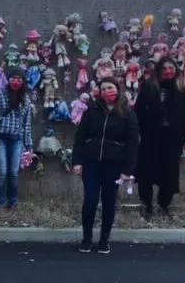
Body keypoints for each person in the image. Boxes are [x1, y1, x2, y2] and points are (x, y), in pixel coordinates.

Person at [72, 77, 140, 254]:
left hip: (114, 165)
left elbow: (133, 143)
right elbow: (79, 138)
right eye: (102, 89)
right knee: (90, 201)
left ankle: (104, 240)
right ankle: (86, 239)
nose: (106, 92)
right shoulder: (92, 111)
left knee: (109, 202)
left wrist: (127, 170)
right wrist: (77, 162)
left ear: (117, 89)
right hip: (92, 163)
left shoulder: (127, 113)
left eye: (109, 87)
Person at [134, 57, 185, 220]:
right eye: (165, 68)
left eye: (171, 67)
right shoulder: (148, 87)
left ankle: (164, 206)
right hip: (149, 139)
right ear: (159, 70)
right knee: (146, 174)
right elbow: (137, 112)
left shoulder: (180, 90)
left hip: (172, 140)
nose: (168, 71)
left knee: (169, 175)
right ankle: (147, 206)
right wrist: (135, 134)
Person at [0, 67, 33, 210]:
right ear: (8, 79)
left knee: (14, 173)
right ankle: (0, 202)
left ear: (23, 81)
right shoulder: (0, 94)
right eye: (13, 78)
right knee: (2, 172)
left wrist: (28, 144)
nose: (16, 81)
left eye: (19, 79)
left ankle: (13, 202)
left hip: (17, 140)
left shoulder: (26, 100)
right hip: (1, 139)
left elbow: (27, 124)